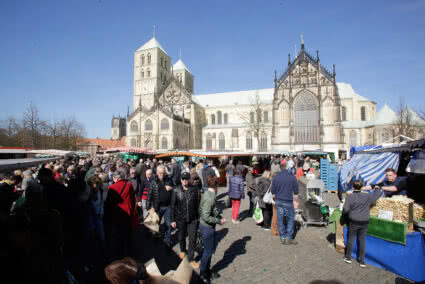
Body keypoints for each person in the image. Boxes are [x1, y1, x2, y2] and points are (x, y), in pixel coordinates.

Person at [343, 181, 382, 268]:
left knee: (351, 238)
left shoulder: (350, 196)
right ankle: (362, 261)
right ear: (361, 187)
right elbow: (376, 196)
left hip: (354, 220)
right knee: (362, 240)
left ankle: (348, 257)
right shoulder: (367, 196)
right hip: (364, 221)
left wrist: (347, 212)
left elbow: (345, 210)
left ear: (353, 187)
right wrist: (376, 188)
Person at [170, 172, 201, 269]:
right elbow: (172, 206)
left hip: (193, 219)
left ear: (189, 179)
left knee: (192, 239)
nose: (184, 181)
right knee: (181, 237)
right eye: (183, 179)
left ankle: (191, 259)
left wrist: (198, 218)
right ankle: (183, 250)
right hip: (180, 219)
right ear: (181, 180)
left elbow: (198, 205)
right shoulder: (176, 190)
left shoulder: (195, 190)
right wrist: (172, 219)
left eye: (186, 179)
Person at [199, 175, 226, 284]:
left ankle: (207, 270)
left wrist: (218, 216)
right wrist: (218, 221)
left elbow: (212, 209)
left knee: (210, 250)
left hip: (208, 226)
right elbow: (205, 215)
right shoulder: (209, 197)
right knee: (208, 251)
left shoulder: (210, 194)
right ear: (216, 185)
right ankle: (202, 273)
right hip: (207, 227)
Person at [104, 171, 136, 261]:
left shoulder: (112, 187)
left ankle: (120, 254)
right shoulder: (129, 185)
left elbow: (109, 204)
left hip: (117, 214)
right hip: (128, 213)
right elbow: (133, 199)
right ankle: (129, 253)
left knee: (118, 234)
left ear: (116, 178)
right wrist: (132, 210)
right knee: (128, 235)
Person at [271, 162, 299, 245]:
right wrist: (296, 199)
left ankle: (282, 237)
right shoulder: (292, 177)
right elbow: (296, 191)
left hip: (279, 200)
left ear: (280, 168)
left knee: (280, 219)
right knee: (290, 219)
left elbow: (273, 191)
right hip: (288, 200)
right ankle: (288, 238)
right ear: (287, 168)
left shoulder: (276, 177)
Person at [146, 165, 174, 247]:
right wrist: (148, 207)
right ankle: (155, 235)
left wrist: (171, 188)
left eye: (163, 173)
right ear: (157, 173)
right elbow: (149, 195)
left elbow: (175, 189)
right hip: (157, 207)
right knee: (155, 224)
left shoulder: (169, 180)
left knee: (168, 224)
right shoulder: (153, 182)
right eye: (160, 173)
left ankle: (167, 240)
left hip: (168, 207)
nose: (162, 174)